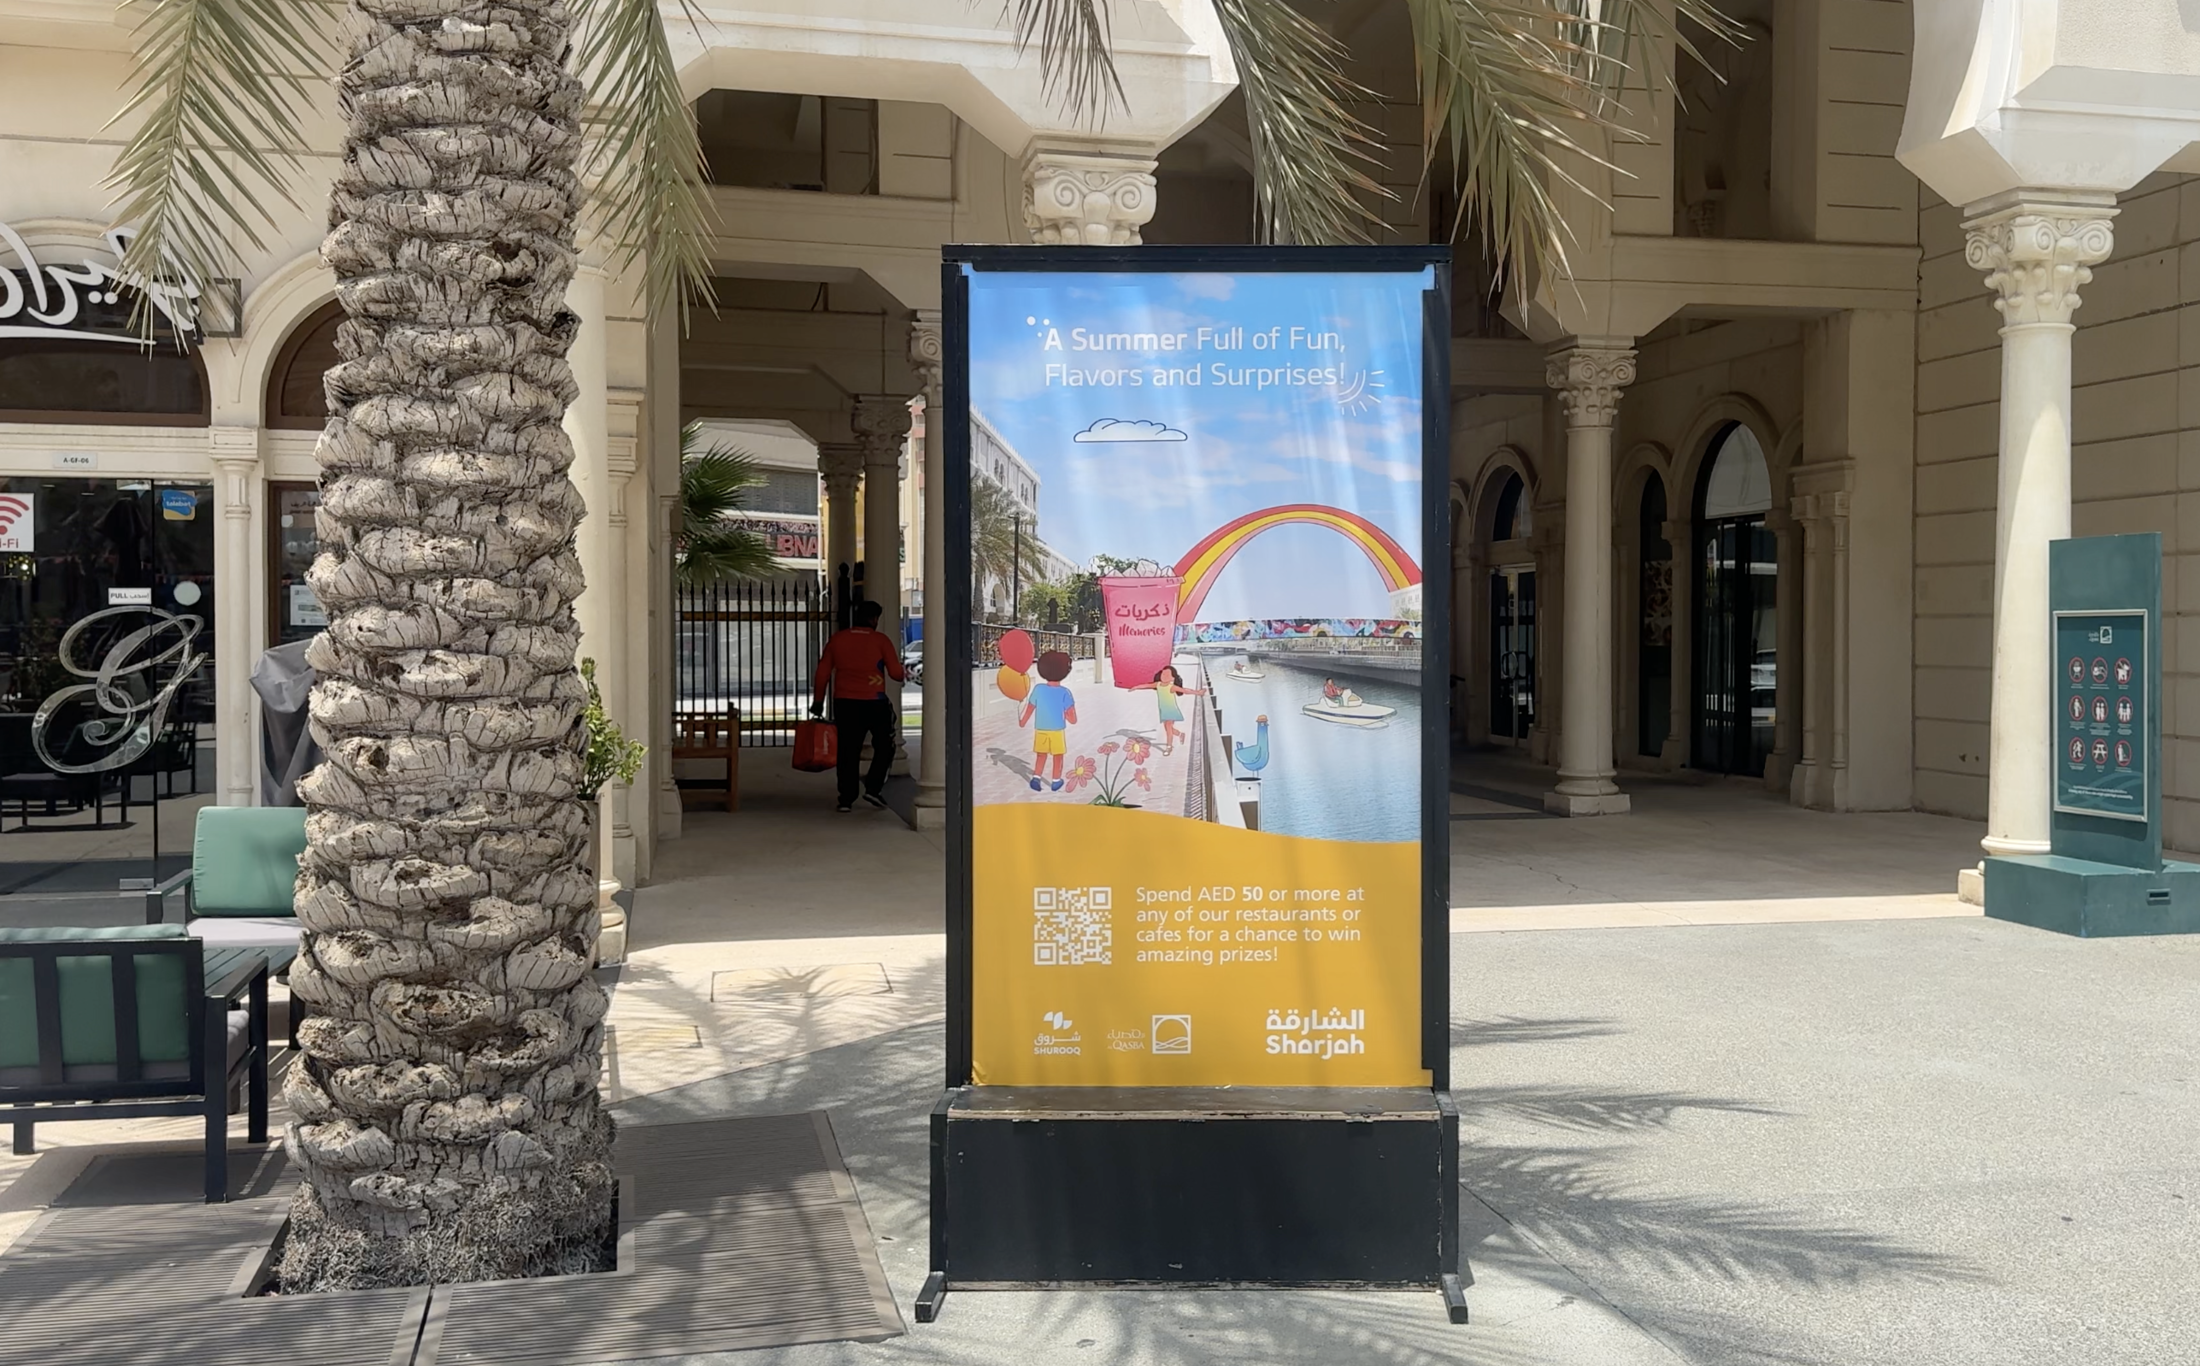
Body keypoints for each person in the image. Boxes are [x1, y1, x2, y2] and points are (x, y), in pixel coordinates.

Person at [812, 600, 905, 812]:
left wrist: (818, 702)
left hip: (845, 703)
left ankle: (846, 798)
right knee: (885, 745)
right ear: (874, 619)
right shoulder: (880, 640)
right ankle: (873, 787)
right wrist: (899, 672)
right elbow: (895, 673)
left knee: (847, 750)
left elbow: (822, 673)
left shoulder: (838, 639)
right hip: (875, 702)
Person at [1018, 650, 1078, 792]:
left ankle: (1036, 778)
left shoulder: (1038, 689)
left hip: (1041, 729)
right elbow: (1073, 719)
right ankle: (1056, 780)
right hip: (1057, 730)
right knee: (1058, 755)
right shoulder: (1065, 693)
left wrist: (1023, 721)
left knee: (1041, 754)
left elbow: (1030, 708)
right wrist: (1066, 715)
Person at [1129, 664, 1205, 755]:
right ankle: (1180, 734)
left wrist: (1197, 692)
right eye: (1163, 674)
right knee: (1168, 729)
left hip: (1171, 710)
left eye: (1167, 675)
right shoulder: (1158, 684)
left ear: (1173, 678)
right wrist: (1136, 687)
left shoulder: (1171, 687)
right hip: (1163, 710)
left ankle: (1169, 747)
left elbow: (1185, 690)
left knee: (1168, 728)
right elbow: (1147, 686)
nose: (1164, 676)